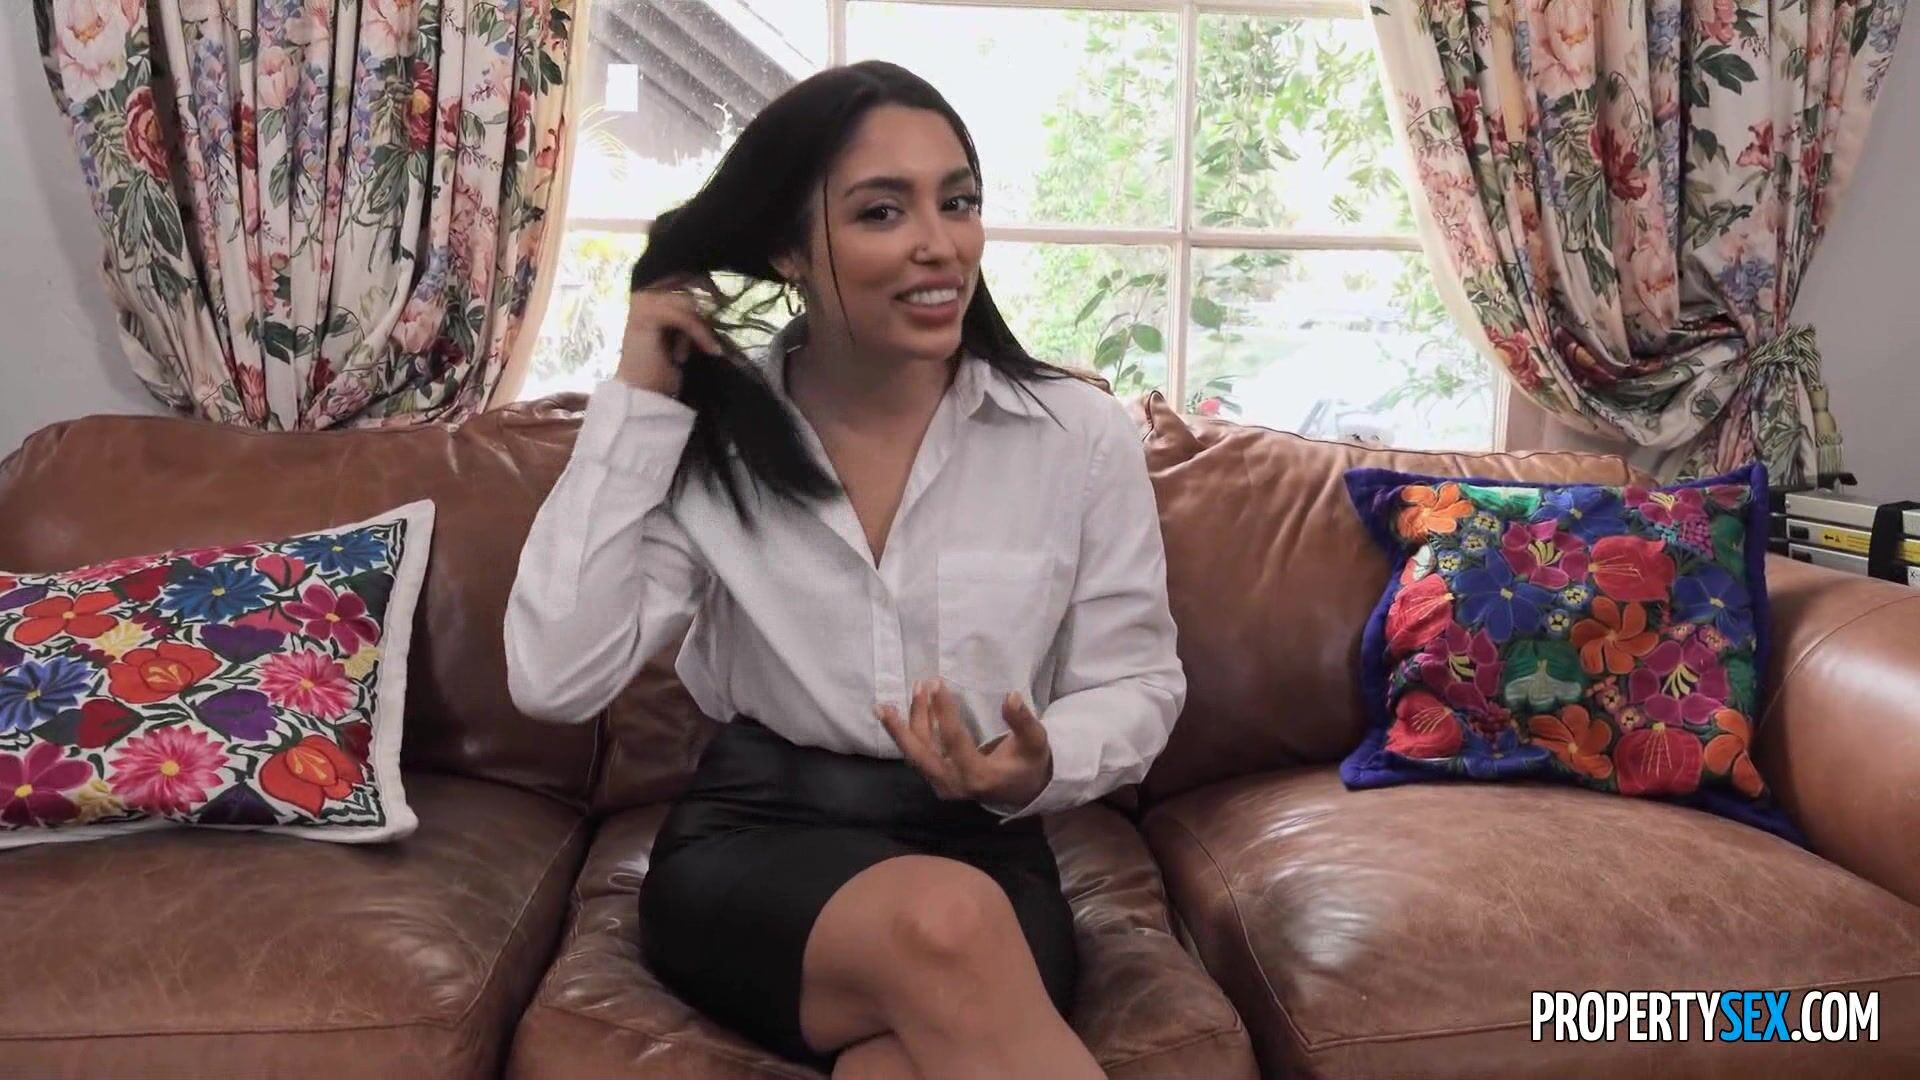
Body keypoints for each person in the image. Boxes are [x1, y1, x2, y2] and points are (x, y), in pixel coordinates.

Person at [504, 61, 1185, 1080]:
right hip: (756, 841)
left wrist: (1037, 766)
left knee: (900, 1055)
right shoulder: (708, 441)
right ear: (788, 249)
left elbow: (1139, 680)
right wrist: (639, 393)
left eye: (958, 202)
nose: (938, 243)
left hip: (984, 846)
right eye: (881, 211)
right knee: (947, 926)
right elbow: (554, 679)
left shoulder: (1078, 434)